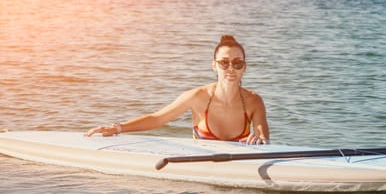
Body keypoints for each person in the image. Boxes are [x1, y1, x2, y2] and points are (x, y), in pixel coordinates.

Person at [85, 35, 270, 144]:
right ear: (214, 65)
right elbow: (158, 118)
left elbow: (263, 138)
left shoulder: (254, 102)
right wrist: (117, 128)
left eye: (237, 63)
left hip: (239, 172)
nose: (231, 68)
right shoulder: (197, 97)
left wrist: (259, 141)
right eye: (224, 62)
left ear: (244, 67)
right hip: (201, 183)